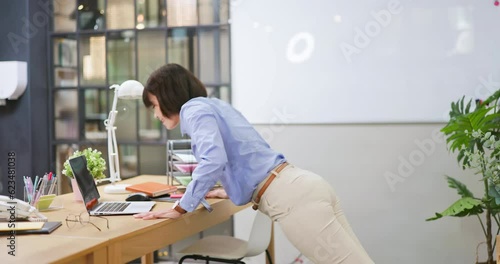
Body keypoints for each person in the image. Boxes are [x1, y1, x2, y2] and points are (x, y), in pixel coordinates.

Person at [133, 63, 374, 264]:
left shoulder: (192, 110)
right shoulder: (214, 105)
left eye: (154, 105)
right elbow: (247, 155)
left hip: (292, 199)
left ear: (168, 96)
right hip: (303, 185)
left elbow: (213, 160)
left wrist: (180, 208)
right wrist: (225, 189)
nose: (155, 114)